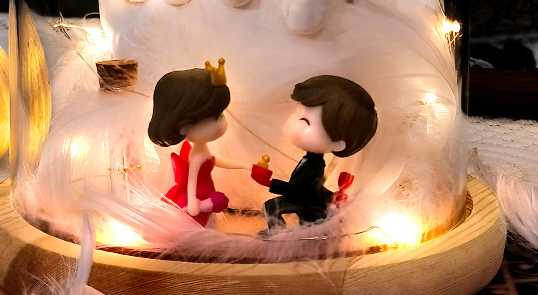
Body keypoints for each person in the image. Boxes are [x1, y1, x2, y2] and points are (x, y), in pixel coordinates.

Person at [252, 75, 378, 229]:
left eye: (305, 122)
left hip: (307, 204)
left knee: (272, 207)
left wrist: (269, 182)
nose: (293, 125)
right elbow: (315, 187)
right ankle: (278, 232)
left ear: (338, 144)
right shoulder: (312, 161)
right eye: (296, 114)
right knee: (273, 207)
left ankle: (278, 233)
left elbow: (297, 190)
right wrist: (331, 195)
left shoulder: (314, 165)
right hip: (306, 199)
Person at [148, 58, 243, 226]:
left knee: (208, 221)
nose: (221, 123)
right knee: (198, 223)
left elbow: (214, 160)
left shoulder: (201, 151)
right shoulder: (196, 156)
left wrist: (245, 165)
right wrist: (192, 202)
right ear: (184, 126)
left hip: (205, 192)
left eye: (220, 114)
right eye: (214, 117)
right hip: (198, 197)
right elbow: (192, 179)